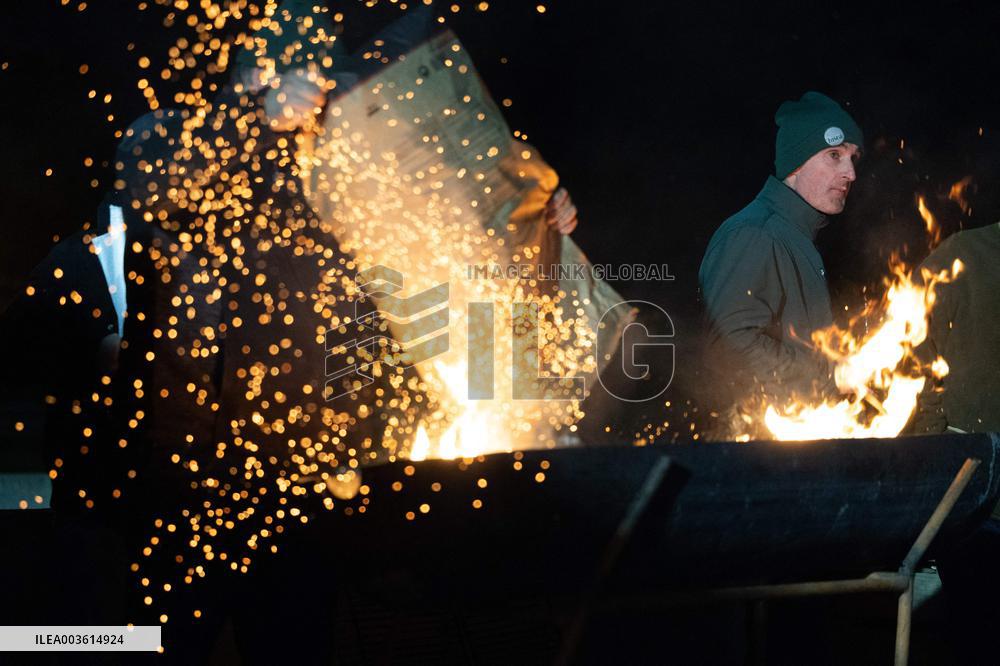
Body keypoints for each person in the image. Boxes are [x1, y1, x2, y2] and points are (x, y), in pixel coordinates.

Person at [698, 91, 863, 434]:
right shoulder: (756, 233)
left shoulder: (797, 239)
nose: (850, 173)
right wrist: (827, 376)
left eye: (852, 158)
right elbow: (732, 345)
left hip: (794, 441)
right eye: (834, 155)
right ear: (795, 164)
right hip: (754, 448)